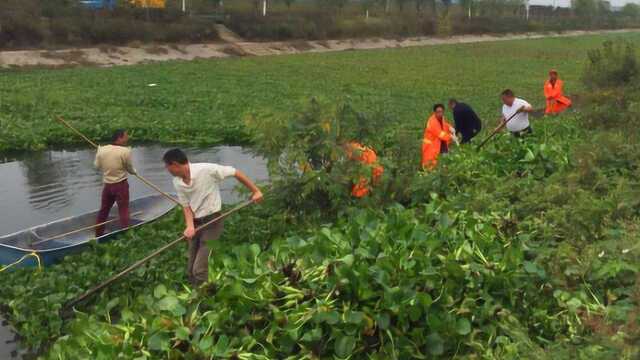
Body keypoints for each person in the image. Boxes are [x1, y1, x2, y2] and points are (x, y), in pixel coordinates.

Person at [162, 148, 263, 287]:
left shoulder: (206, 170)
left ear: (175, 164)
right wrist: (190, 226)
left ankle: (205, 296)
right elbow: (186, 206)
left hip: (213, 222)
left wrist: (256, 191)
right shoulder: (177, 182)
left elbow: (235, 172)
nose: (167, 170)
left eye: (167, 166)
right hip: (197, 223)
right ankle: (196, 293)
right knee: (191, 269)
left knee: (199, 269)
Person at [94, 129, 136, 237]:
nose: (127, 138)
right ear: (119, 138)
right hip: (120, 185)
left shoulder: (102, 150)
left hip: (107, 186)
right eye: (126, 136)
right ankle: (126, 235)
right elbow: (129, 168)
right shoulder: (125, 151)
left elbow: (97, 166)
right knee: (123, 210)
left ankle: (98, 234)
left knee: (104, 210)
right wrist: (134, 172)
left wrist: (99, 152)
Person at [422, 104, 456, 170]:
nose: (440, 113)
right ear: (434, 112)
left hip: (440, 143)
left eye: (441, 112)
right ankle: (429, 176)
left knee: (444, 161)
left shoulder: (441, 118)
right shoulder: (432, 122)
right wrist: (451, 137)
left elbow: (444, 124)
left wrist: (449, 127)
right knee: (430, 164)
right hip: (432, 146)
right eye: (438, 112)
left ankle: (444, 172)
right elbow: (440, 133)